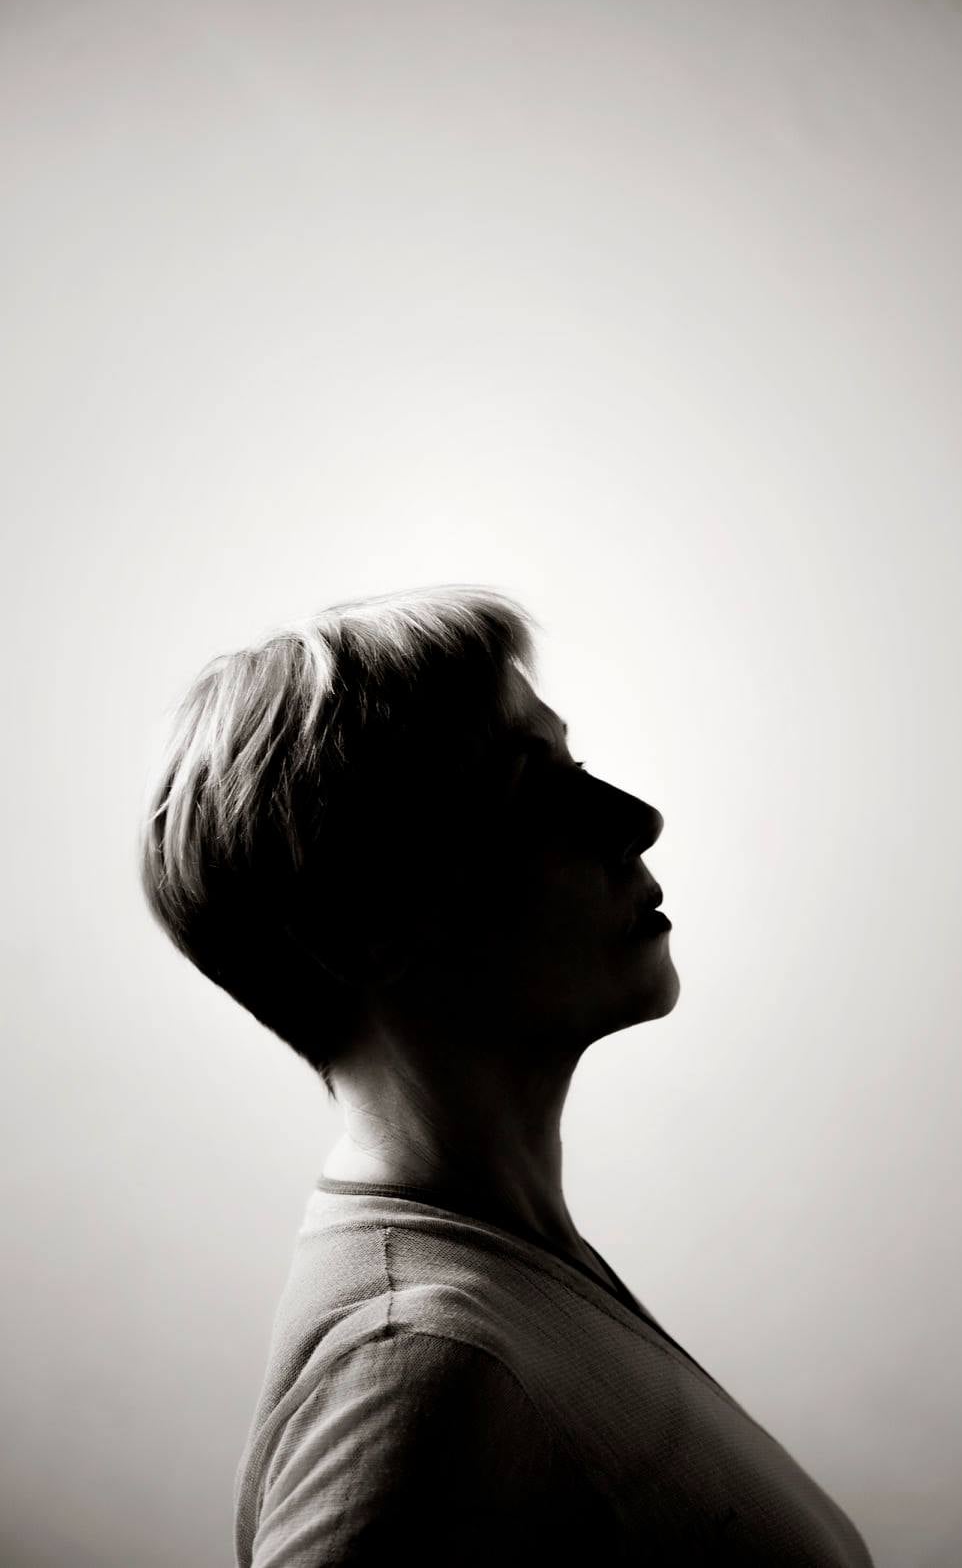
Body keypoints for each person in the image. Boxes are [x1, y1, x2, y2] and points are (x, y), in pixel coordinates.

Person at [140, 584, 875, 1566]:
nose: (638, 818)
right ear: (368, 923)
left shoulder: (501, 1267)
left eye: (579, 766)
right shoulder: (413, 1366)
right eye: (535, 785)